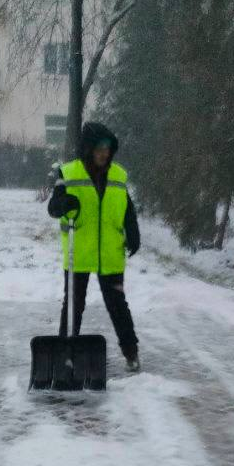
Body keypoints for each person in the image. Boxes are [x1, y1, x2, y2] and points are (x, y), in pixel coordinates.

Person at [47, 121, 142, 372]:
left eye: (107, 148)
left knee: (117, 305)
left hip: (110, 253)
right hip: (78, 252)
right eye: (99, 148)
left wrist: (133, 232)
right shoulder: (68, 173)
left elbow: (127, 209)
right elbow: (53, 208)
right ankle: (64, 356)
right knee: (73, 306)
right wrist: (62, 204)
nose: (104, 153)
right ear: (88, 148)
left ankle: (131, 352)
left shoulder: (118, 175)